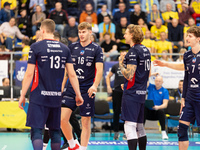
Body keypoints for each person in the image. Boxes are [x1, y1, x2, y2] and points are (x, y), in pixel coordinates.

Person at [18, 19, 83, 150]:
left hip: (38, 96)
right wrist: (78, 94)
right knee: (54, 131)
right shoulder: (65, 49)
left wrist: (22, 94)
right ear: (53, 31)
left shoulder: (36, 47)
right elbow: (72, 74)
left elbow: (29, 74)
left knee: (36, 131)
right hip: (56, 97)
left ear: (42, 30)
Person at [61, 22, 103, 150]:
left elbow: (99, 70)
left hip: (87, 89)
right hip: (71, 88)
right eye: (79, 32)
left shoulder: (96, 49)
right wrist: (61, 86)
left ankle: (83, 148)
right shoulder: (72, 47)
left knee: (85, 122)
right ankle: (73, 145)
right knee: (61, 119)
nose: (81, 34)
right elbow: (66, 71)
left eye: (83, 32)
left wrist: (95, 86)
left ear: (90, 32)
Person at [118, 24, 151, 150]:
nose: (124, 35)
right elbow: (145, 72)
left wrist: (121, 63)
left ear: (132, 35)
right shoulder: (146, 49)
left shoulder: (133, 51)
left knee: (129, 126)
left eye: (126, 33)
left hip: (132, 94)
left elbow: (129, 75)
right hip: (141, 92)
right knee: (139, 126)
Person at [178, 26, 200, 150]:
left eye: (190, 36)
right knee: (181, 129)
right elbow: (186, 76)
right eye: (187, 35)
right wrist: (183, 97)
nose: (187, 38)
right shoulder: (186, 55)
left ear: (198, 39)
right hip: (190, 97)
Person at [106, 51, 126, 140]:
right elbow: (108, 77)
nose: (123, 57)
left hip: (126, 92)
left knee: (127, 112)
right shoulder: (115, 66)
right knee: (116, 112)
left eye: (125, 55)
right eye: (122, 55)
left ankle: (126, 132)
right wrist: (108, 86)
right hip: (117, 91)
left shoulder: (130, 66)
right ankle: (116, 132)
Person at [145, 75, 169, 140]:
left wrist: (158, 107)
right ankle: (141, 132)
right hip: (148, 112)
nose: (157, 82)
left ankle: (163, 132)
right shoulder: (151, 87)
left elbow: (165, 104)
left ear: (162, 82)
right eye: (156, 81)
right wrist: (151, 74)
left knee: (161, 111)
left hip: (157, 112)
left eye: (159, 81)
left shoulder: (165, 91)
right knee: (143, 109)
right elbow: (145, 80)